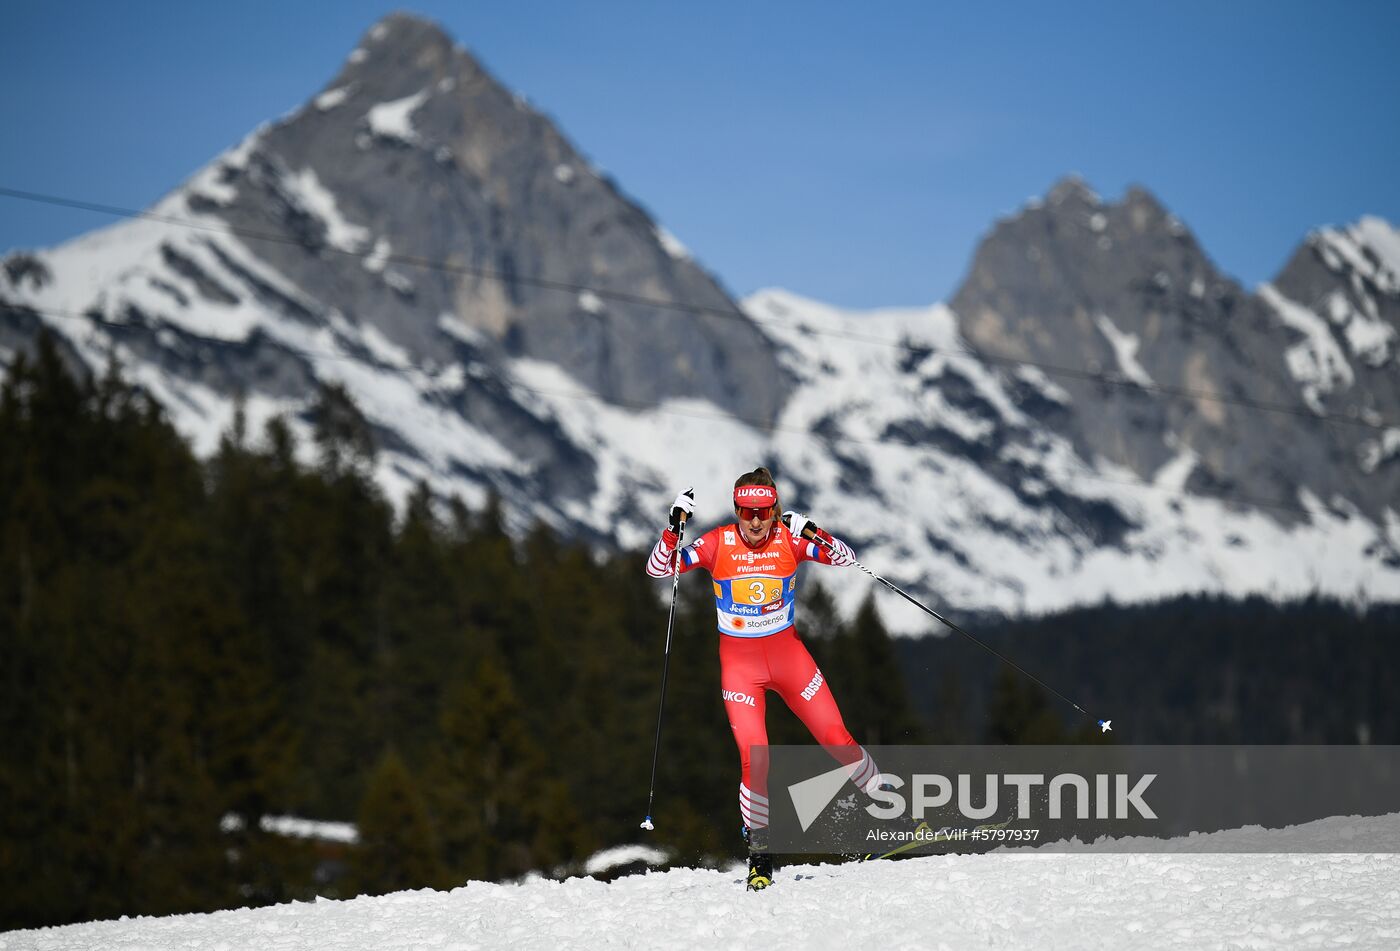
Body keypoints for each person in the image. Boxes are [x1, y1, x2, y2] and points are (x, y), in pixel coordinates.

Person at [645, 466, 881, 890]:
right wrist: (672, 530)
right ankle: (761, 854)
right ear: (736, 508)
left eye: (764, 511)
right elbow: (660, 570)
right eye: (746, 511)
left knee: (836, 738)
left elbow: (847, 558)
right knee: (757, 758)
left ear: (775, 509)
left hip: (790, 659)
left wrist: (812, 531)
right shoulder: (719, 543)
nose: (755, 521)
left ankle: (889, 809)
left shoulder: (789, 540)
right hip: (741, 670)